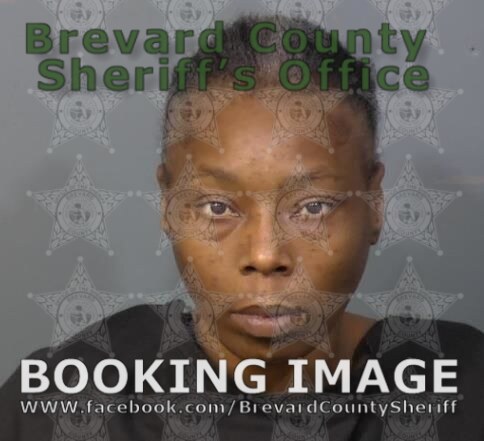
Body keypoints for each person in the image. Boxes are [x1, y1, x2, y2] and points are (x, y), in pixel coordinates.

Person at [1, 14, 484, 441]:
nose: (265, 255)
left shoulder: (465, 390)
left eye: (313, 207)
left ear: (374, 203)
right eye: (217, 207)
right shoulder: (62, 402)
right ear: (168, 204)